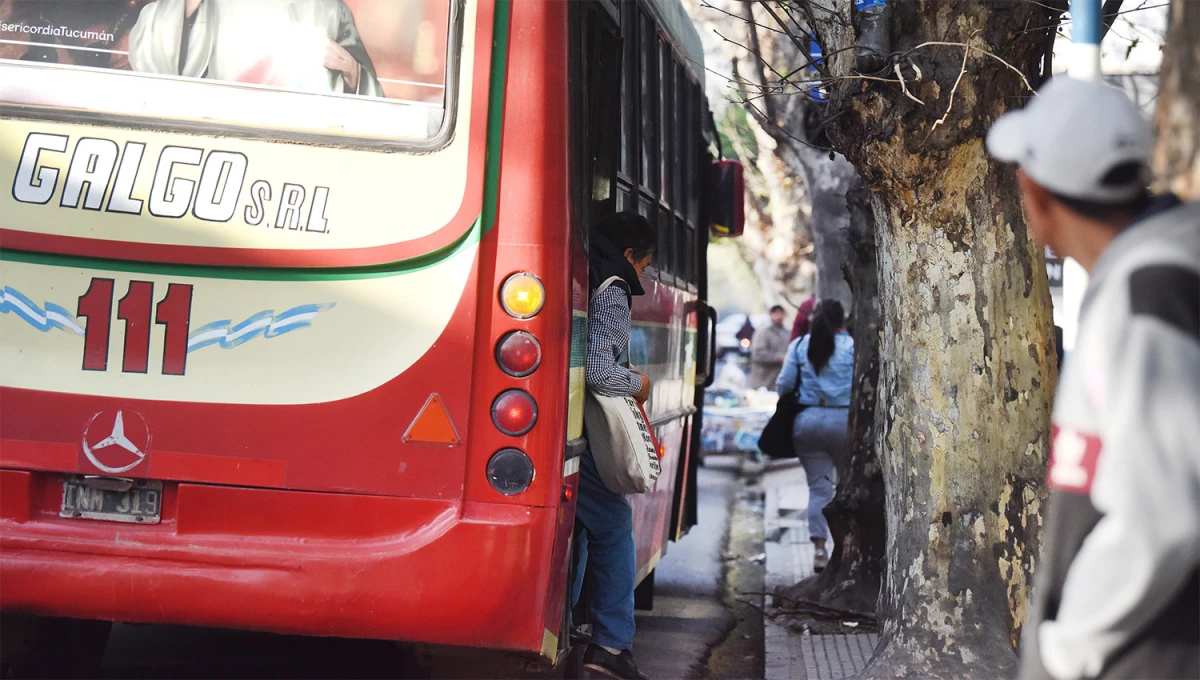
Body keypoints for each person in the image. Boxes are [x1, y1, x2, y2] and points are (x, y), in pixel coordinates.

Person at [986, 77, 1199, 680]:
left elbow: (1160, 516)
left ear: (1036, 194)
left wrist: (1065, 653)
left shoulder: (1149, 292)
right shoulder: (1156, 268)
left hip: (1149, 652)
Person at [576, 211, 655, 680]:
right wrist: (639, 383)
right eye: (644, 266)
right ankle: (610, 644)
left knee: (587, 525)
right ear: (629, 255)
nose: (642, 276)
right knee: (613, 523)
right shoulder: (613, 286)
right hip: (582, 431)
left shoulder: (583, 266)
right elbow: (601, 373)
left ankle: (580, 623)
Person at [128, 0, 383, 96]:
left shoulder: (329, 10)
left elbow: (372, 103)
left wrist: (351, 70)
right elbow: (150, 67)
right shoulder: (198, 7)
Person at [776, 300, 854, 572]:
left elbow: (784, 385)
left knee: (819, 490)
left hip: (807, 423)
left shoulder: (799, 346)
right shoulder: (852, 346)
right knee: (847, 487)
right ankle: (846, 549)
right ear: (842, 320)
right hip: (844, 423)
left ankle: (820, 551)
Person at [748, 305, 791, 389]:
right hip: (763, 380)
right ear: (771, 314)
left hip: (779, 379)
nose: (778, 316)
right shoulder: (763, 332)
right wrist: (779, 358)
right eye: (776, 313)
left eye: (780, 313)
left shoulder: (788, 333)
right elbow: (757, 354)